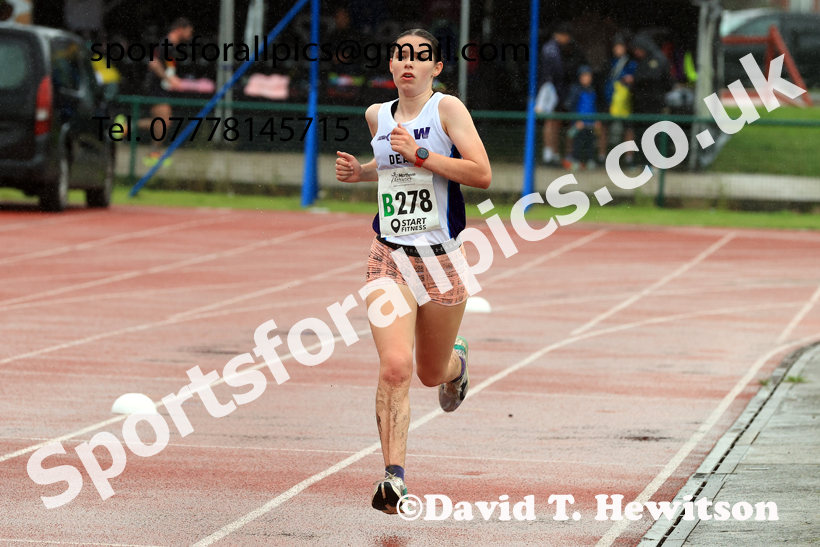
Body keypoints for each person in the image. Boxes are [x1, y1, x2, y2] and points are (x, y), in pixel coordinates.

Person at [334, 29, 491, 514]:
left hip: (442, 263)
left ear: (435, 68)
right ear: (392, 64)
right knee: (395, 367)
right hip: (390, 258)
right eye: (401, 54)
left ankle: (456, 366)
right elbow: (391, 166)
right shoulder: (376, 115)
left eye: (420, 57)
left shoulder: (447, 110)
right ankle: (394, 478)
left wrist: (422, 153)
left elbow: (482, 173)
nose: (409, 63)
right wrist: (359, 172)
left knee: (428, 373)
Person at [139, 18, 194, 164]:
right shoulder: (167, 44)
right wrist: (168, 78)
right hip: (155, 88)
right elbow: (153, 63)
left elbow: (167, 66)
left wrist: (173, 78)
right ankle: (153, 153)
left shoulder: (172, 46)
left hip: (160, 88)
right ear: (180, 29)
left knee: (163, 122)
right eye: (189, 30)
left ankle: (127, 128)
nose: (190, 34)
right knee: (164, 121)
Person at [625, 32, 672, 161]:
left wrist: (635, 79)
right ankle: (641, 161)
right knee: (641, 133)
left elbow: (658, 78)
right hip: (640, 104)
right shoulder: (641, 61)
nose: (636, 53)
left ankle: (655, 162)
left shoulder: (658, 59)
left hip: (654, 104)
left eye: (638, 49)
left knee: (654, 134)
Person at [537, 22, 573, 167]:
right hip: (550, 89)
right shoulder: (551, 49)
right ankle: (548, 154)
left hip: (553, 88)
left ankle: (552, 153)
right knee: (550, 120)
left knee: (554, 121)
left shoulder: (555, 48)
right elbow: (557, 72)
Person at [603, 34, 637, 164]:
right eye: (616, 46)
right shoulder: (608, 62)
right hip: (610, 99)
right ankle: (602, 156)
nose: (618, 49)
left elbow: (635, 79)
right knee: (605, 126)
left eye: (621, 46)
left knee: (628, 128)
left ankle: (629, 157)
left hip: (625, 101)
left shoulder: (631, 63)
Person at [563, 65, 600, 170]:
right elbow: (570, 106)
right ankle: (575, 161)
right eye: (584, 76)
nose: (587, 78)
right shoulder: (575, 90)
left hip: (590, 123)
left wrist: (596, 120)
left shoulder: (592, 90)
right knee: (577, 144)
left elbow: (594, 106)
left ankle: (590, 161)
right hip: (580, 124)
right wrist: (575, 121)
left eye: (588, 76)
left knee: (590, 143)